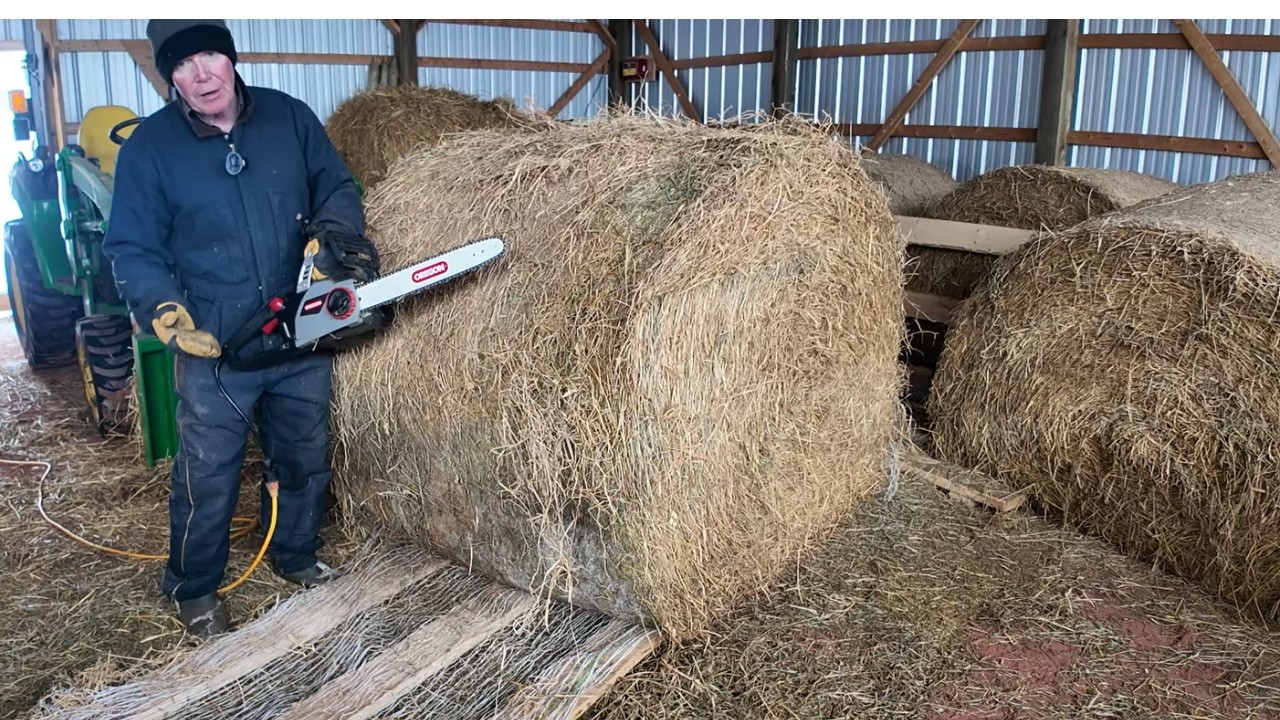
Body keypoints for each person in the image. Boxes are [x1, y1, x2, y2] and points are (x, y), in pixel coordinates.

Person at [102, 19, 380, 637]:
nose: (200, 75)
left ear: (231, 57)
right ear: (167, 75)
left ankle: (294, 553)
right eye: (182, 64)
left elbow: (335, 185)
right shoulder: (152, 149)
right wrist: (164, 310)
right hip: (214, 337)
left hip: (296, 321)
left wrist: (332, 236)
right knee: (207, 470)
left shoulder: (289, 118)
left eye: (209, 55)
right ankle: (194, 586)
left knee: (304, 453)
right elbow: (131, 247)